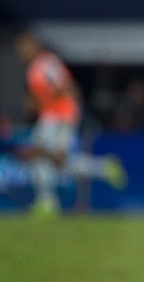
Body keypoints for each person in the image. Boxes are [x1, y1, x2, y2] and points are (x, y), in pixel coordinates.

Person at [15, 31, 127, 217]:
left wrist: (68, 117)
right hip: (51, 116)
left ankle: (47, 201)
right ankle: (103, 168)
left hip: (59, 116)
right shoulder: (34, 68)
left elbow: (68, 88)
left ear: (33, 46)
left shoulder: (46, 64)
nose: (21, 52)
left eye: (23, 47)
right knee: (58, 161)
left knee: (43, 154)